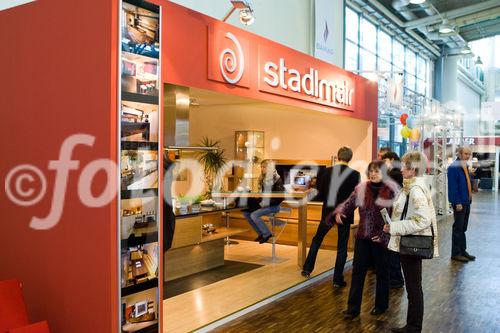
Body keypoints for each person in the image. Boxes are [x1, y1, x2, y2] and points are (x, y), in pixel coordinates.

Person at [384, 151, 439, 333]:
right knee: (413, 286)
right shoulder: (412, 187)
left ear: (412, 169)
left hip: (411, 243)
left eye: (404, 167)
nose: (401, 170)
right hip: (408, 241)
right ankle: (412, 325)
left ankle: (414, 327)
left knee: (414, 287)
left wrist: (394, 228)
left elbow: (422, 220)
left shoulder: (415, 190)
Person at [334, 160, 395, 319]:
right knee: (358, 272)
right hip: (363, 236)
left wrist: (385, 235)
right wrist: (341, 212)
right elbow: (349, 203)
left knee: (382, 273)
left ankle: (381, 306)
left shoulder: (391, 191)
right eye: (371, 171)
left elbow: (395, 217)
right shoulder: (361, 188)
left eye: (377, 171)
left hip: (381, 238)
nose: (374, 174)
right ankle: (353, 308)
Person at [301, 147, 361, 286]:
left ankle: (307, 269)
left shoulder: (326, 172)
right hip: (345, 213)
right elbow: (356, 197)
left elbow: (320, 194)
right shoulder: (355, 174)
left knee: (317, 239)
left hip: (327, 212)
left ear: (338, 156)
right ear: (350, 158)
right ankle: (337, 279)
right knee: (342, 247)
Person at [242, 160, 285, 244]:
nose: (262, 169)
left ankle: (267, 234)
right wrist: (256, 200)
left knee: (254, 215)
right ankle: (261, 234)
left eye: (264, 167)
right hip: (264, 204)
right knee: (246, 213)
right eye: (261, 167)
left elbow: (280, 197)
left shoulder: (277, 179)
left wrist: (264, 203)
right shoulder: (262, 178)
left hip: (274, 206)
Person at [447, 146, 475, 262]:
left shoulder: (465, 166)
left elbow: (466, 182)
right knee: (458, 227)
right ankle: (456, 253)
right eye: (465, 154)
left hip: (466, 200)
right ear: (459, 154)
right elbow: (453, 187)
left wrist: (471, 175)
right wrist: (457, 202)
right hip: (460, 202)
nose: (467, 156)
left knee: (463, 227)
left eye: (469, 154)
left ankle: (462, 250)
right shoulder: (454, 167)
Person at [382, 151, 405, 289]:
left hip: (394, 214)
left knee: (393, 248)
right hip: (394, 212)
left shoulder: (395, 174)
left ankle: (396, 279)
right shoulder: (394, 173)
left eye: (383, 159)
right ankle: (395, 277)